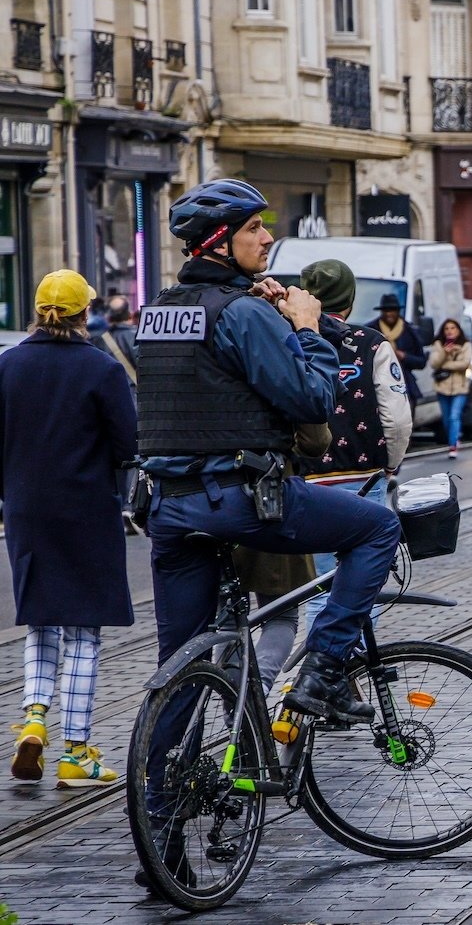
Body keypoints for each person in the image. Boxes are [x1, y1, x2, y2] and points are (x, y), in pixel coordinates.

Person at [139, 178, 401, 738]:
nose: (267, 238)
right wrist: (307, 328)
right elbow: (310, 398)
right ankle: (325, 670)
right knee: (379, 528)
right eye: (254, 229)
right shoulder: (242, 314)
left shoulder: (158, 311)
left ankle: (163, 804)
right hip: (241, 501)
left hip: (169, 509)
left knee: (180, 667)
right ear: (217, 242)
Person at [5, 270, 137, 786]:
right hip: (86, 511)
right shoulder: (101, 370)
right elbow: (130, 447)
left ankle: (33, 717)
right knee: (83, 631)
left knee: (42, 620)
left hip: (26, 509)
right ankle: (76, 749)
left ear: (39, 312)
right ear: (86, 314)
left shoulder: (7, 366)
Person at [293, 259, 412, 649]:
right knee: (361, 590)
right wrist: (390, 464)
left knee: (319, 590)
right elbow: (395, 419)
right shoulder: (371, 343)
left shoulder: (285, 340)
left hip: (307, 479)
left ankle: (311, 680)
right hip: (364, 478)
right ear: (350, 297)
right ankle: (346, 675)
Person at [427, 319, 472, 458]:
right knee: (446, 419)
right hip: (443, 387)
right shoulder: (438, 345)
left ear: (458, 330)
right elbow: (434, 363)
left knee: (454, 415)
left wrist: (446, 365)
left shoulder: (465, 345)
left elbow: (465, 363)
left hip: (460, 387)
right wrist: (445, 354)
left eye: (453, 328)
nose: (449, 331)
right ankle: (454, 437)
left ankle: (452, 446)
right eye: (446, 328)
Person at [369, 294, 425, 406]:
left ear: (398, 311)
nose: (389, 313)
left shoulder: (409, 331)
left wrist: (404, 356)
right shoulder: (371, 330)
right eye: (386, 310)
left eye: (393, 310)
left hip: (405, 384)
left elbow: (422, 361)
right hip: (378, 384)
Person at [93, 293, 140, 388]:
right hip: (132, 392)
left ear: (109, 315)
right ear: (128, 313)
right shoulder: (137, 336)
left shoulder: (98, 339)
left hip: (107, 392)